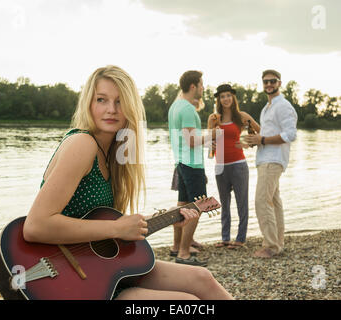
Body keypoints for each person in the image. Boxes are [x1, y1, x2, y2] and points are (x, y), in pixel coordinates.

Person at [23, 65, 233, 300]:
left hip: (101, 268)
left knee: (203, 278)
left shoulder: (116, 153)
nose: (111, 110)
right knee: (187, 303)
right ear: (88, 103)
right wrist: (117, 227)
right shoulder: (82, 143)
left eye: (120, 102)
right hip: (70, 280)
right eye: (101, 100)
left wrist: (172, 217)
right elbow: (35, 226)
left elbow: (110, 229)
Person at [244, 69, 298, 259]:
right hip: (265, 159)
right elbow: (263, 137)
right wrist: (253, 141)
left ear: (279, 83)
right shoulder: (266, 108)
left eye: (272, 81)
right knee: (274, 202)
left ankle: (270, 246)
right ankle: (278, 243)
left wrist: (263, 140)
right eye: (266, 82)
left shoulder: (283, 106)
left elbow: (290, 134)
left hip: (272, 160)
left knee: (261, 201)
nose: (269, 85)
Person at [168, 70, 216, 266]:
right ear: (193, 86)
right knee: (198, 207)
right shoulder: (187, 109)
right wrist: (211, 136)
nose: (203, 88)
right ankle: (184, 254)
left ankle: (175, 246)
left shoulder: (175, 106)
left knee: (183, 206)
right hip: (191, 164)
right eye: (202, 84)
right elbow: (190, 140)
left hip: (181, 162)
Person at [207, 84, 260, 249]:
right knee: (224, 203)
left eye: (228, 95)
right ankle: (225, 238)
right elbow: (210, 144)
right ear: (219, 100)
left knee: (241, 202)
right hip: (220, 166)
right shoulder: (214, 118)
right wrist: (212, 141)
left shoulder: (242, 116)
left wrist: (245, 143)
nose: (226, 99)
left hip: (238, 165)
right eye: (222, 96)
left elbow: (259, 133)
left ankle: (241, 239)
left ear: (233, 98)